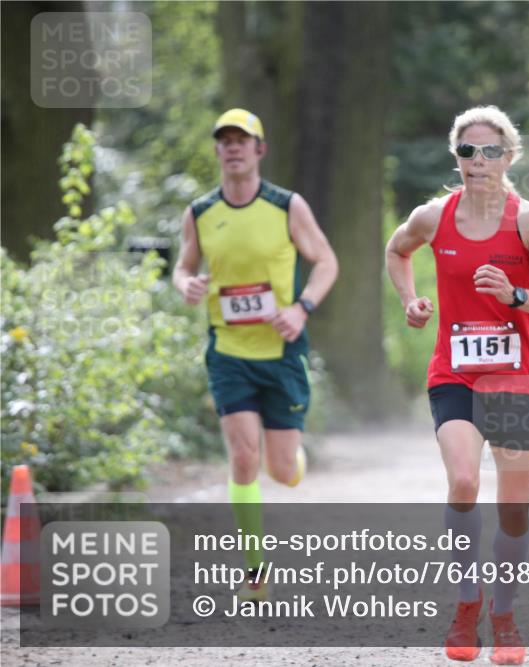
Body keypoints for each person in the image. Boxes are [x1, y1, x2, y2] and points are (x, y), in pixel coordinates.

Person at [385, 106, 529, 665]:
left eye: (491, 151)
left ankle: (505, 614)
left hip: (516, 379)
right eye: (468, 151)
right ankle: (468, 605)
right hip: (456, 374)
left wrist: (517, 297)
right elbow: (397, 251)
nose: (479, 161)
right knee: (464, 480)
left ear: (509, 157)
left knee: (514, 510)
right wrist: (411, 302)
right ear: (457, 158)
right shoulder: (432, 216)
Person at [172, 108, 338, 602]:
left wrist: (303, 308)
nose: (233, 148)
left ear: (259, 149)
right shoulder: (200, 212)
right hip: (228, 352)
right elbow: (182, 267)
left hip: (282, 353)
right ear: (218, 151)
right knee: (243, 457)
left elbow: (327, 261)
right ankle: (255, 573)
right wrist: (188, 284)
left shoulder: (287, 207)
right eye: (224, 140)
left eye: (242, 140)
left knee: (281, 472)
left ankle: (291, 459)